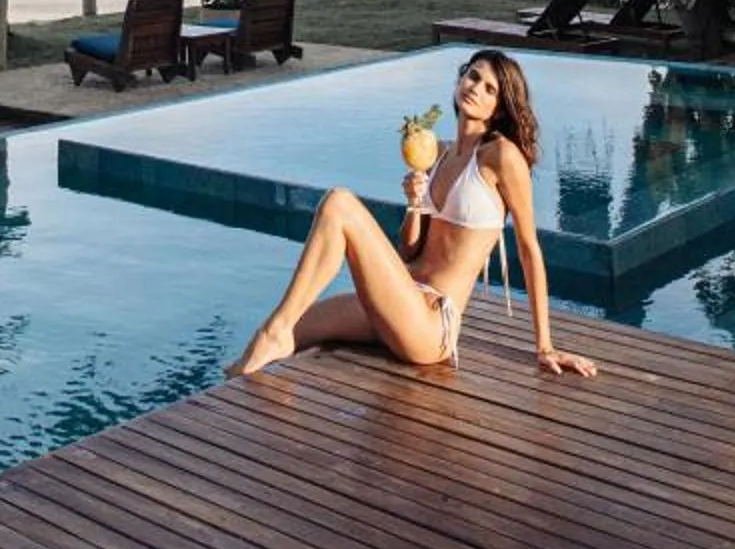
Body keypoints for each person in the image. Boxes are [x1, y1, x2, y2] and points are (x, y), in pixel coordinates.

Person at [230, 48, 599, 380]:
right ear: (459, 79)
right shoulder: (436, 153)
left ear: (500, 108)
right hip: (399, 299)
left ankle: (270, 338)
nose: (476, 88)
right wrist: (415, 202)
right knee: (289, 326)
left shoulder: (501, 157)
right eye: (473, 76)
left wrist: (544, 346)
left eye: (490, 89)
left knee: (339, 202)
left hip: (431, 326)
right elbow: (409, 252)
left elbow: (529, 248)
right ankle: (229, 384)